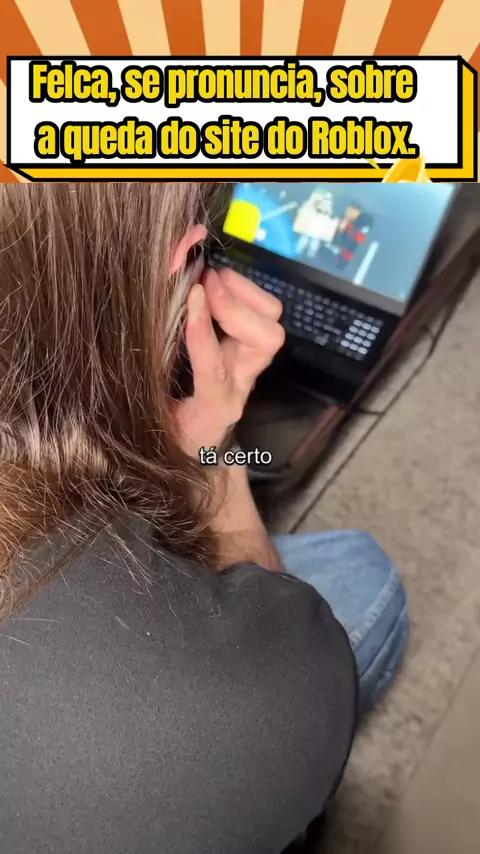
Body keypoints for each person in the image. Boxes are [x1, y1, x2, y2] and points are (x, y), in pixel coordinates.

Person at [0, 183, 409, 854]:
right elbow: (276, 653)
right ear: (185, 259)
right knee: (368, 580)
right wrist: (214, 449)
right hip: (176, 734)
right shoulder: (201, 705)